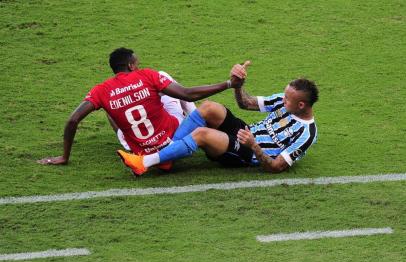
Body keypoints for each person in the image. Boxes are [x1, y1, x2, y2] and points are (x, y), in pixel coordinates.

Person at [37, 47, 243, 166]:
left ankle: (141, 152)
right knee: (169, 85)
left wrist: (65, 156)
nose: (139, 65)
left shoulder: (101, 90)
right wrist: (227, 84)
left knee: (110, 108)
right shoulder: (147, 75)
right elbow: (187, 93)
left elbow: (73, 119)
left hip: (137, 148)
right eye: (137, 62)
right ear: (131, 66)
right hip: (171, 139)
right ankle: (193, 121)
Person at [117, 62, 318, 175]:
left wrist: (255, 146)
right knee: (209, 108)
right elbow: (245, 103)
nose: (282, 100)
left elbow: (276, 167)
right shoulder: (284, 102)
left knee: (201, 134)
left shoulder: (306, 134)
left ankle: (145, 162)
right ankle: (166, 155)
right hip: (246, 131)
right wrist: (238, 84)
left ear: (301, 105)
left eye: (287, 99)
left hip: (249, 152)